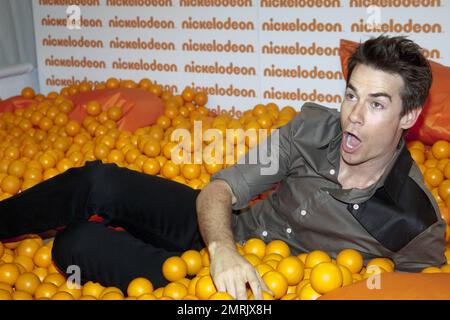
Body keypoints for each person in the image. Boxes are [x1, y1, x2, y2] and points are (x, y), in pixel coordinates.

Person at [0, 35, 446, 300]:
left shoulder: (415, 221)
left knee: (73, 246)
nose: (354, 115)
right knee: (98, 181)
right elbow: (220, 190)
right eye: (351, 95)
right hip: (222, 232)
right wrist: (223, 249)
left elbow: (414, 288)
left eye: (377, 104)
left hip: (249, 293)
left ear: (408, 117)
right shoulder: (312, 130)